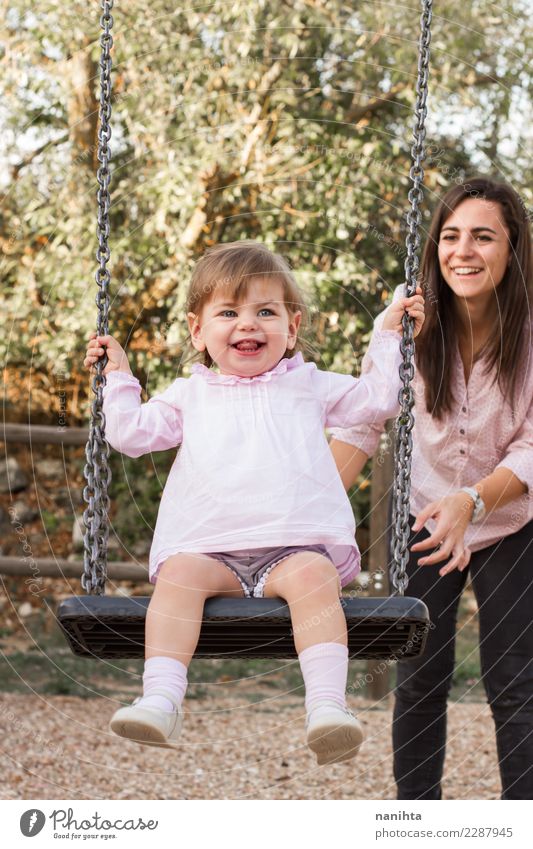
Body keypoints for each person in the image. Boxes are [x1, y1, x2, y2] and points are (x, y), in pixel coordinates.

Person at [84, 239, 424, 763]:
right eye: (228, 312)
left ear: (292, 326)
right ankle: (161, 697)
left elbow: (378, 399)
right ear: (198, 330)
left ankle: (328, 707)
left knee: (316, 578)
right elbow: (129, 433)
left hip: (291, 552)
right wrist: (116, 375)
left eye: (265, 311)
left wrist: (388, 335)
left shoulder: (309, 386)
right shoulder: (187, 395)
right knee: (177, 579)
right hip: (209, 553)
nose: (248, 324)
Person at [329, 177, 533, 798]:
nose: (463, 251)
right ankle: (418, 820)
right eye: (451, 236)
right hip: (427, 517)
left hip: (513, 519)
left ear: (514, 248)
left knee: (516, 680)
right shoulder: (408, 326)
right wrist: (307, 509)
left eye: (482, 236)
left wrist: (471, 502)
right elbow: (366, 418)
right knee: (419, 677)